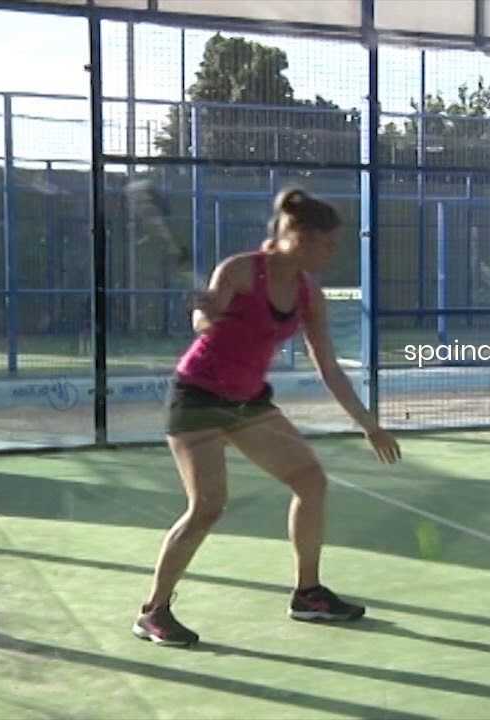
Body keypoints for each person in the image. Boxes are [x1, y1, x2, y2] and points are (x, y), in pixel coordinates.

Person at [134, 188, 402, 647]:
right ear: (299, 236)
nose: (332, 253)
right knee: (207, 506)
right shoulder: (241, 270)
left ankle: (308, 594)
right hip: (198, 398)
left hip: (248, 403)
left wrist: (368, 423)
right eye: (327, 244)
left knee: (311, 481)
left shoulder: (308, 293)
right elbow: (203, 318)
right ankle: (153, 612)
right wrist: (205, 316)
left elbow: (329, 367)